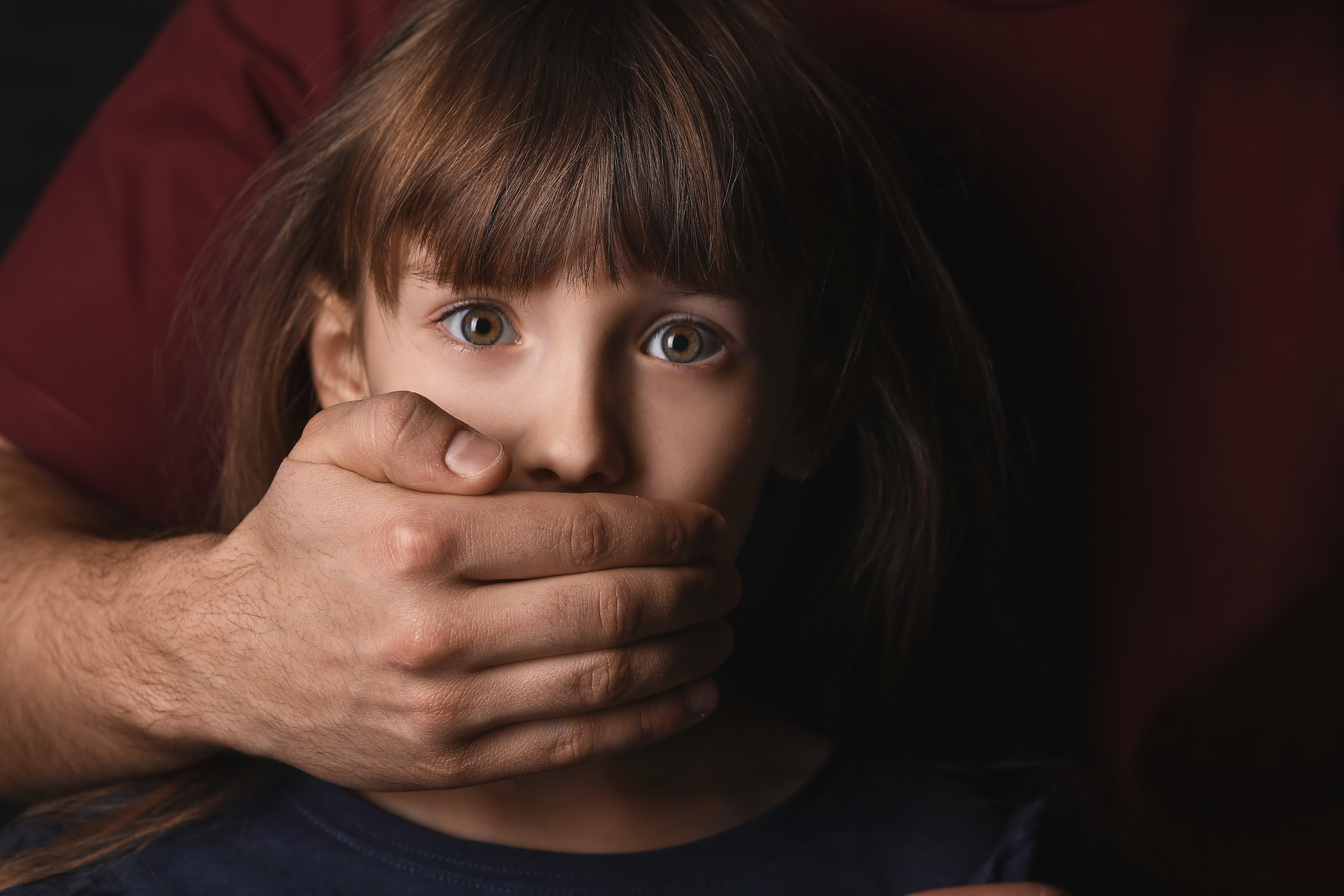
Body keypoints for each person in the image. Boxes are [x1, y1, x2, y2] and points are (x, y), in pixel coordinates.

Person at [0, 0, 1049, 892]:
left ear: (810, 404)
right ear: (343, 361)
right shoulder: (121, 858)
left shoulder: (951, 860)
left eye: (682, 341)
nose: (575, 441)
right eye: (482, 324)